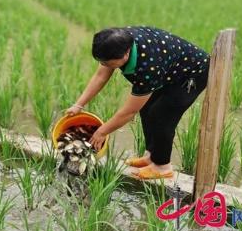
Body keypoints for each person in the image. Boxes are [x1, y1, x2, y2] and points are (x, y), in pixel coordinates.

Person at [65, 26, 210, 179]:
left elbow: (129, 111)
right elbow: (100, 76)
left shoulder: (147, 66)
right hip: (169, 68)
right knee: (147, 107)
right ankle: (151, 156)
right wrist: (78, 104)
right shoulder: (116, 43)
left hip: (192, 73)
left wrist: (102, 131)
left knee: (162, 115)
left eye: (108, 63)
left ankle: (162, 166)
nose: (104, 65)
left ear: (126, 54)